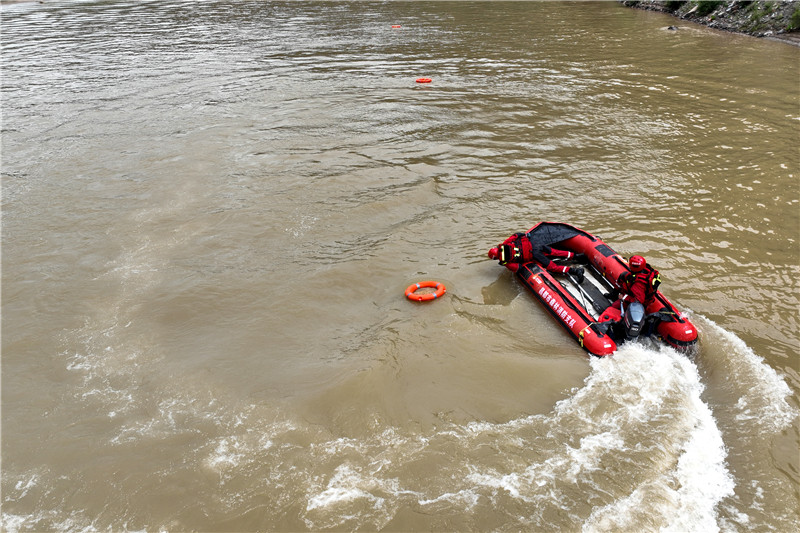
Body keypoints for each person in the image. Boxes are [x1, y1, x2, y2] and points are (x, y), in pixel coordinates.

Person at [488, 232, 585, 282]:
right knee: (554, 252)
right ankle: (577, 256)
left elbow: (519, 268)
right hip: (534, 243)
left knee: (552, 267)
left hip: (534, 254)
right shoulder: (505, 243)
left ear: (496, 258)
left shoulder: (507, 262)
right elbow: (517, 235)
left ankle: (575, 271)